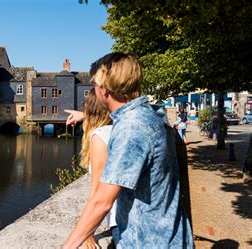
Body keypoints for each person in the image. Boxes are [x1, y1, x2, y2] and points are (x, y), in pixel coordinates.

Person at [63, 52, 193, 248]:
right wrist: (84, 116)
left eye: (94, 85)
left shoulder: (131, 128)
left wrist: (68, 245)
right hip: (170, 233)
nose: (93, 90)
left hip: (147, 240)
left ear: (104, 90)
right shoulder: (153, 115)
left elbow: (102, 201)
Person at [67, 89, 116, 248]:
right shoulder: (118, 129)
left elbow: (98, 196)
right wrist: (85, 114)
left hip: (122, 223)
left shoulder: (100, 137)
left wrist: (88, 233)